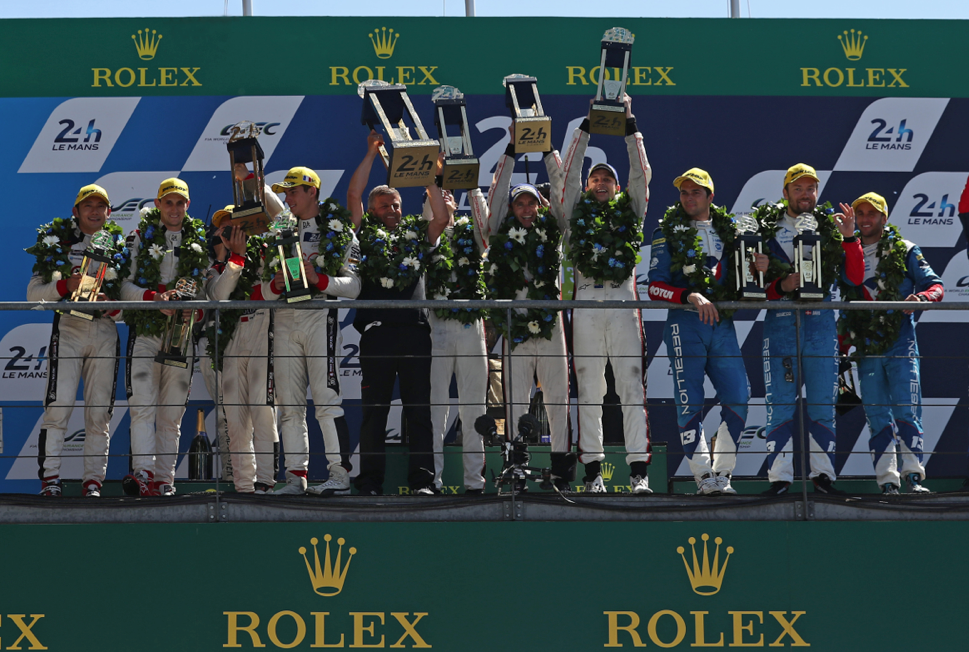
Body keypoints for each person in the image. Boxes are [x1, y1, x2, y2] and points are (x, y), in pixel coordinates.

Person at [556, 94, 653, 494]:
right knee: (589, 389)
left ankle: (639, 472)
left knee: (630, 386)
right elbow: (568, 175)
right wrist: (587, 125)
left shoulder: (631, 212)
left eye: (606, 179)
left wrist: (630, 126)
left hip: (623, 304)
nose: (599, 183)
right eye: (594, 179)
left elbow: (641, 175)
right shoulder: (574, 214)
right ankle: (593, 473)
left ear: (617, 187)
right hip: (585, 306)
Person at [346, 131, 450, 496]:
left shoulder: (416, 234)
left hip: (415, 333)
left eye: (396, 205)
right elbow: (354, 195)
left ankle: (423, 482)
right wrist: (371, 153)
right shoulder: (363, 234)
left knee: (419, 410)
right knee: (374, 410)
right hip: (377, 333)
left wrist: (428, 177)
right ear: (373, 212)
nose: (392, 210)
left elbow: (441, 217)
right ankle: (369, 483)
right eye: (384, 206)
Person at [753, 163, 863, 496]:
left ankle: (823, 477)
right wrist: (780, 285)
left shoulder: (830, 228)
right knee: (780, 403)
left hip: (821, 324)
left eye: (811, 188)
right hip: (781, 324)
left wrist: (849, 237)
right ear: (785, 192)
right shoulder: (765, 228)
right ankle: (780, 479)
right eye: (798, 188)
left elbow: (854, 278)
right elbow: (752, 288)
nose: (805, 194)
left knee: (822, 404)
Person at [648, 169, 748, 495]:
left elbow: (743, 281)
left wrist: (758, 269)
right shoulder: (667, 231)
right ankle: (703, 475)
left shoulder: (730, 232)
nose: (689, 198)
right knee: (689, 400)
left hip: (722, 324)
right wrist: (689, 295)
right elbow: (654, 288)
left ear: (710, 197)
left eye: (696, 192)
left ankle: (723, 473)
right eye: (684, 192)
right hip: (685, 322)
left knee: (739, 396)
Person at [261, 167, 361, 496]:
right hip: (284, 318)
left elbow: (354, 287)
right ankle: (295, 478)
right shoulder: (279, 229)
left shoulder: (338, 228)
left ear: (312, 192)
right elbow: (264, 291)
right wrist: (275, 285)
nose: (287, 198)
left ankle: (339, 476)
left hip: (320, 317)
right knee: (289, 406)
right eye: (284, 193)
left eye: (293, 192)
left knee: (327, 401)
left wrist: (320, 280)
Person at [26, 184, 129, 497]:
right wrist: (64, 287)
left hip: (104, 332)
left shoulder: (121, 247)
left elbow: (129, 306)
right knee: (57, 408)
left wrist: (113, 306)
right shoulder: (57, 242)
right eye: (88, 206)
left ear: (109, 212)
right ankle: (50, 480)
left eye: (100, 206)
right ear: (76, 211)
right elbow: (32, 295)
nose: (94, 212)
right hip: (69, 329)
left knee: (100, 413)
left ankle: (93, 482)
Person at [837, 192, 942, 494]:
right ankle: (887, 482)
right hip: (866, 347)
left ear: (884, 218)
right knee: (876, 415)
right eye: (861, 214)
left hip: (900, 342)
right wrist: (842, 346)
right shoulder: (846, 251)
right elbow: (845, 300)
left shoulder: (905, 249)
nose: (865, 219)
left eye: (872, 213)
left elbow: (935, 286)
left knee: (907, 409)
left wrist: (921, 298)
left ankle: (914, 478)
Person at [486, 146, 572, 492]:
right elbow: (495, 196)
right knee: (514, 403)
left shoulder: (554, 234)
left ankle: (562, 473)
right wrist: (510, 152)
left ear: (541, 206)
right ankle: (515, 468)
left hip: (551, 330)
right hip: (515, 331)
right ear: (511, 209)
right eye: (519, 203)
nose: (526, 209)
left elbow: (564, 196)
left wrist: (549, 152)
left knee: (558, 401)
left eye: (531, 203)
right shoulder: (499, 235)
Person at [121, 178, 210, 497]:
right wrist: (154, 299)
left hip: (181, 337)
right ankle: (143, 474)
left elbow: (206, 293)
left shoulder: (199, 241)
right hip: (145, 333)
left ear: (188, 205)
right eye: (168, 202)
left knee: (172, 414)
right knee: (142, 407)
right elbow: (123, 286)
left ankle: (164, 480)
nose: (174, 208)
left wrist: (193, 312)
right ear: (157, 204)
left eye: (180, 202)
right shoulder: (137, 237)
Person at [203, 207, 280, 494]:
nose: (227, 234)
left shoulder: (264, 253)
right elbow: (218, 295)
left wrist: (246, 257)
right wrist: (235, 257)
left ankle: (266, 482)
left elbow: (273, 290)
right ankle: (244, 486)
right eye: (223, 230)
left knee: (263, 411)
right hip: (231, 338)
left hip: (263, 331)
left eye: (232, 228)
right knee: (234, 418)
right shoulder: (215, 266)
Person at [423, 189, 489, 494]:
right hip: (435, 326)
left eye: (449, 193)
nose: (444, 196)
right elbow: (431, 220)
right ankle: (432, 481)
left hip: (469, 326)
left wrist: (472, 187)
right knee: (435, 409)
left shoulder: (470, 234)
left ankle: (474, 482)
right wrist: (433, 191)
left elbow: (485, 224)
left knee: (474, 407)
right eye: (437, 194)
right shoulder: (424, 236)